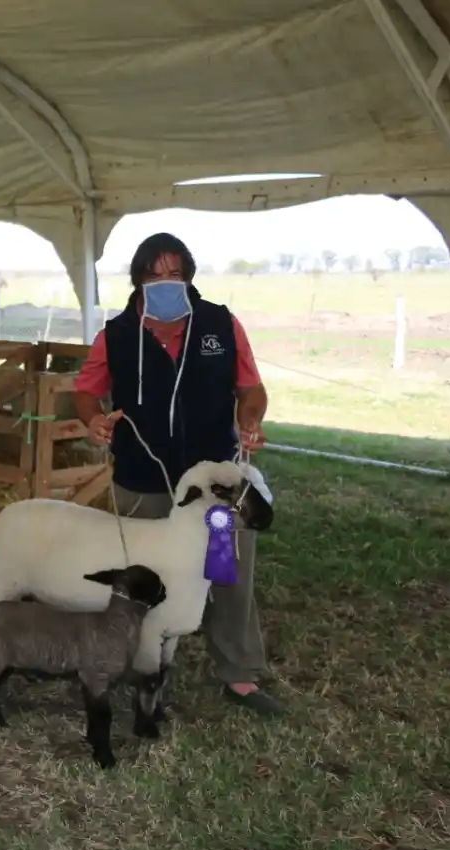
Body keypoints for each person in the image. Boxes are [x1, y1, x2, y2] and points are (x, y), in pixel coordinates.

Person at [72, 231, 282, 717]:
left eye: (175, 274)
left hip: (215, 486)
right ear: (139, 281)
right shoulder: (118, 333)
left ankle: (238, 672)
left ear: (188, 277)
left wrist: (250, 420)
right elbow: (87, 391)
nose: (166, 283)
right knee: (146, 579)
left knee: (224, 572)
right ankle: (145, 665)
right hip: (144, 478)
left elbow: (251, 387)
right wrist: (93, 419)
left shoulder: (221, 325)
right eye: (154, 275)